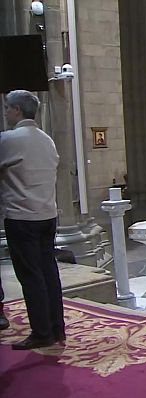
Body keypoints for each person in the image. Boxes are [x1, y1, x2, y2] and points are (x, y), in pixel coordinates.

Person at [0, 90, 64, 350]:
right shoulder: (46, 139)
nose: (5, 112)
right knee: (49, 271)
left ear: (17, 110)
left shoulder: (9, 139)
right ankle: (57, 327)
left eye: (6, 108)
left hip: (22, 217)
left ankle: (41, 332)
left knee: (30, 275)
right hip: (48, 215)